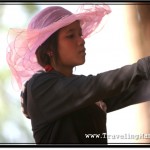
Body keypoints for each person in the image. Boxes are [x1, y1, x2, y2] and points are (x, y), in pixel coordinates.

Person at [6, 4, 150, 144]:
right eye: (70, 36)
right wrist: (144, 66)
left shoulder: (82, 90)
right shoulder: (40, 87)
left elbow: (134, 87)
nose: (81, 41)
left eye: (80, 34)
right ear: (49, 48)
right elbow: (99, 85)